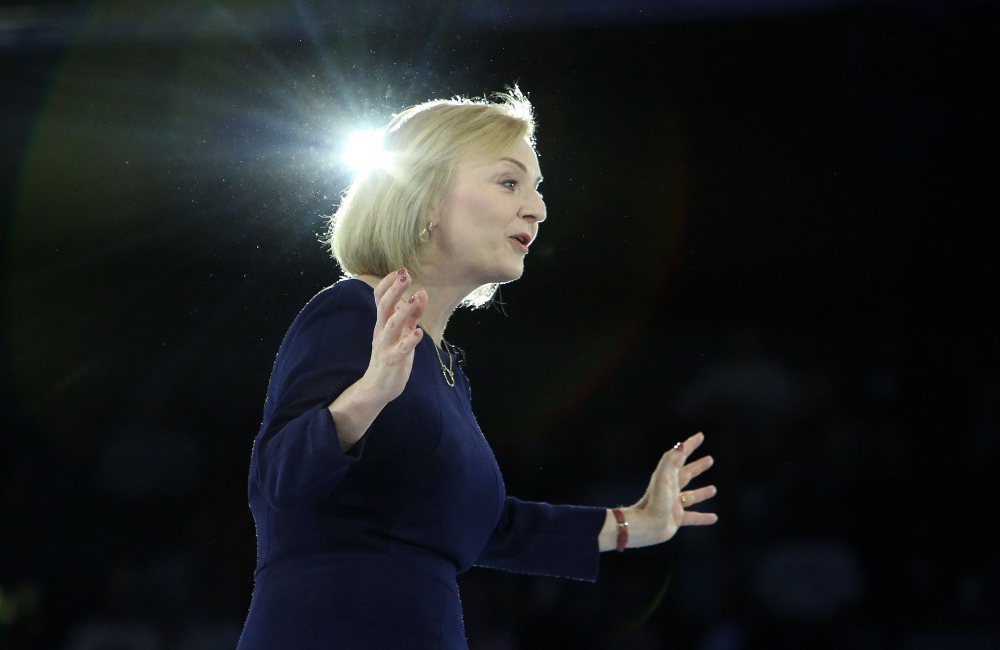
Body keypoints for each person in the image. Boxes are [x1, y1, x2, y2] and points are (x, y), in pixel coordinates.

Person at [236, 87, 718, 649]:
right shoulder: (352, 312)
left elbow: (483, 525)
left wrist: (639, 524)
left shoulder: (442, 368)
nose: (536, 207)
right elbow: (276, 480)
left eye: (537, 189)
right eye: (510, 182)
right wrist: (367, 395)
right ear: (427, 200)